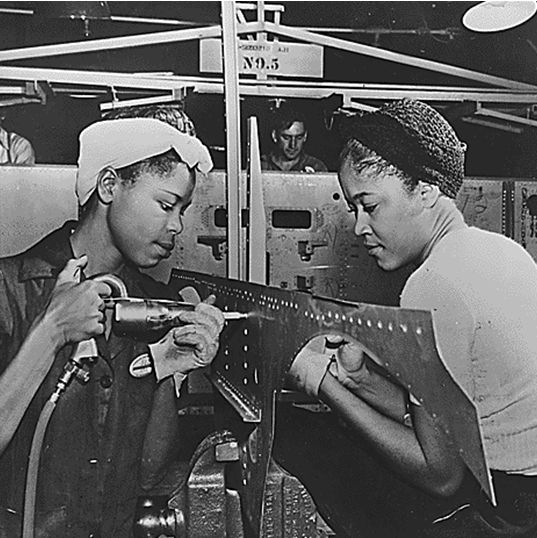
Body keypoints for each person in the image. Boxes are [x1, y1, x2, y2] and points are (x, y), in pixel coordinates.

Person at [278, 98, 537, 537]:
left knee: (299, 440)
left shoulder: (433, 283)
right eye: (353, 208)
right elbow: (452, 417)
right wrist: (357, 379)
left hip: (499, 513)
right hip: (524, 496)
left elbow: (441, 474)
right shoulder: (502, 251)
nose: (360, 227)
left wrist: (318, 382)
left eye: (371, 206)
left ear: (426, 192)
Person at [0, 115, 225, 537]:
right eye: (165, 204)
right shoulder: (10, 291)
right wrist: (51, 331)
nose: (177, 226)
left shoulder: (146, 306)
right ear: (108, 186)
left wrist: (167, 370)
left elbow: (147, 474)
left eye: (183, 210)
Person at [261, 106, 327, 173]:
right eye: (286, 138)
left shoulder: (316, 166)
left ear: (305, 136)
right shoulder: (261, 165)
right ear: (274, 136)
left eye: (299, 138)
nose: (293, 145)